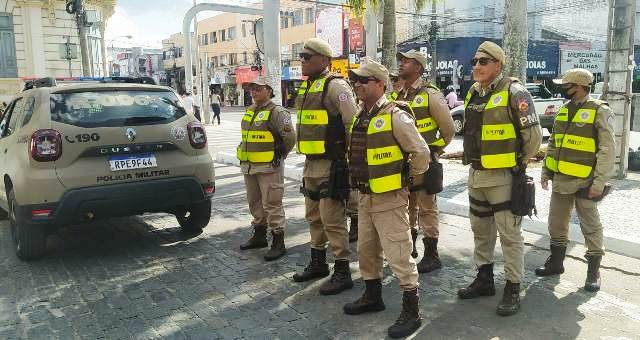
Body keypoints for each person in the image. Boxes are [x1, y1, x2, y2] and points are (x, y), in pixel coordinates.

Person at [342, 59, 429, 339]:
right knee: (366, 251)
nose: (357, 84)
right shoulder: (360, 114)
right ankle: (372, 296)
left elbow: (421, 152)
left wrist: (408, 181)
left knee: (399, 253)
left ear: (380, 84)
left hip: (390, 197)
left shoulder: (395, 115)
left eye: (363, 80)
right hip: (365, 196)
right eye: (355, 80)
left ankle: (412, 310)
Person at [457, 41, 542, 316]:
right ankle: (484, 280)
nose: (477, 66)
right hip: (477, 175)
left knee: (509, 235)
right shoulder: (472, 93)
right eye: (475, 62)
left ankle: (513, 288)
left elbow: (533, 137)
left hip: (504, 177)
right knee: (481, 232)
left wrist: (518, 164)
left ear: (498, 65)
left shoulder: (515, 91)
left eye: (484, 61)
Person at [537, 68, 615, 292]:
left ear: (580, 87)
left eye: (566, 85)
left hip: (585, 182)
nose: (562, 89)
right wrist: (546, 172)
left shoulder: (599, 110)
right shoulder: (563, 110)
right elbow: (554, 144)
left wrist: (599, 183)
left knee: (590, 226)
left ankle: (593, 272)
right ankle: (556, 263)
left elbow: (607, 150)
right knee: (556, 224)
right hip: (561, 181)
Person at [292, 38, 359, 296]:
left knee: (332, 220)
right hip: (311, 163)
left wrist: (348, 160)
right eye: (302, 56)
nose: (303, 60)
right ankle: (318, 263)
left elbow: (351, 122)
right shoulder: (308, 87)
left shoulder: (336, 86)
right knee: (314, 217)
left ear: (324, 60)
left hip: (332, 164)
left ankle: (342, 271)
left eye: (307, 56)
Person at [396, 50, 455, 273]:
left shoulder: (430, 94)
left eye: (407, 61)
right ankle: (409, 248)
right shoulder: (399, 95)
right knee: (406, 205)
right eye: (401, 60)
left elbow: (448, 129)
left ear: (419, 68)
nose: (401, 64)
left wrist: (434, 151)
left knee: (427, 207)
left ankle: (432, 254)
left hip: (425, 162)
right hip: (403, 163)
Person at [237, 77, 296, 261]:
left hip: (269, 167)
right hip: (250, 166)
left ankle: (278, 242)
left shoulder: (277, 112)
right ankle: (260, 235)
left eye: (258, 88)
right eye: (251, 88)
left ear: (269, 90)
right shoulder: (250, 110)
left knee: (272, 204)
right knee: (254, 202)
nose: (253, 92)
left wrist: (280, 155)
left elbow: (290, 137)